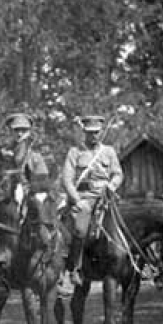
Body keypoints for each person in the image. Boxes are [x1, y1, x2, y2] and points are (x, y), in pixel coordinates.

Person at [60, 115, 123, 288]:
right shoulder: (75, 152)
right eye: (89, 133)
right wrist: (78, 200)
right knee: (80, 229)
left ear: (101, 132)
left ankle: (136, 263)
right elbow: (66, 180)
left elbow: (118, 173)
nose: (93, 136)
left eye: (96, 132)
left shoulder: (108, 152)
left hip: (106, 197)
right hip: (84, 198)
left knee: (129, 222)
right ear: (84, 132)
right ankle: (75, 269)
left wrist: (112, 185)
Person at [4, 113, 48, 185]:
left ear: (29, 132)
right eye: (16, 130)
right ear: (10, 131)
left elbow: (42, 179)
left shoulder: (35, 155)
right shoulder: (3, 153)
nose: (20, 134)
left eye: (24, 130)